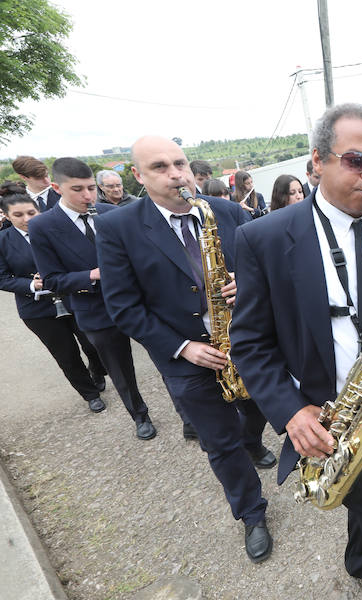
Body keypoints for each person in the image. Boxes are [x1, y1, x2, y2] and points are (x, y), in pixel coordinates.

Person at [230, 103, 362, 598]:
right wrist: (290, 413)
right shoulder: (262, 238)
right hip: (331, 414)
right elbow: (249, 343)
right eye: (356, 161)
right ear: (318, 162)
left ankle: (356, 560)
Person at [95, 136, 275, 563]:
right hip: (186, 356)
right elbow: (123, 306)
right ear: (136, 176)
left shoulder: (228, 212)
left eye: (180, 163)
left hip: (244, 342)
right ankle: (252, 512)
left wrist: (249, 285)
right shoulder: (118, 226)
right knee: (218, 440)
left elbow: (267, 272)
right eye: (159, 167)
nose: (175, 173)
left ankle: (251, 439)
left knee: (260, 408)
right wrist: (182, 348)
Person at [29, 157, 156, 439]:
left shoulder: (112, 212)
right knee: (120, 370)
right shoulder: (43, 226)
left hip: (138, 303)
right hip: (94, 310)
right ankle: (140, 416)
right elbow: (51, 280)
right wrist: (94, 274)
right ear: (56, 188)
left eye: (90, 188)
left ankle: (189, 418)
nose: (88, 196)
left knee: (167, 357)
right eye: (78, 189)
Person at [0, 193, 106, 410]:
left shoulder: (55, 231)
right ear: (7, 217)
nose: (26, 219)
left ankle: (97, 369)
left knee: (92, 344)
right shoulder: (3, 241)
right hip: (37, 309)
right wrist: (31, 285)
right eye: (18, 215)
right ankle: (89, 393)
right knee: (66, 354)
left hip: (74, 297)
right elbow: (2, 278)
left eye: (31, 213)